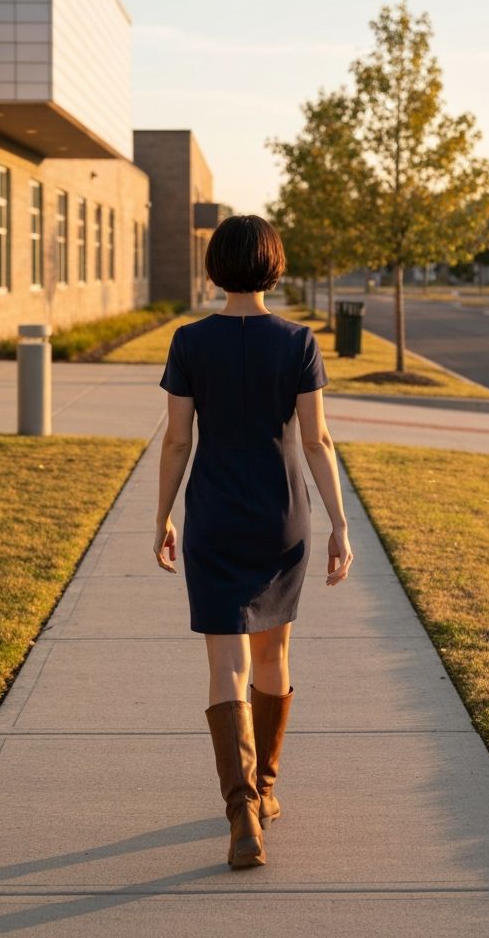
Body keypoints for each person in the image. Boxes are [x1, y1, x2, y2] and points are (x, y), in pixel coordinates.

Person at [153, 214, 354, 870]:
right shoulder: (297, 343)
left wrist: (162, 516)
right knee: (273, 658)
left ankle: (239, 812)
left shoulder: (189, 342)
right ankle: (265, 791)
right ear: (274, 264)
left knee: (225, 667)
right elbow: (318, 441)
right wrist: (340, 524)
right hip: (281, 517)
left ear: (215, 267)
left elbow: (178, 439)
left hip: (213, 515)